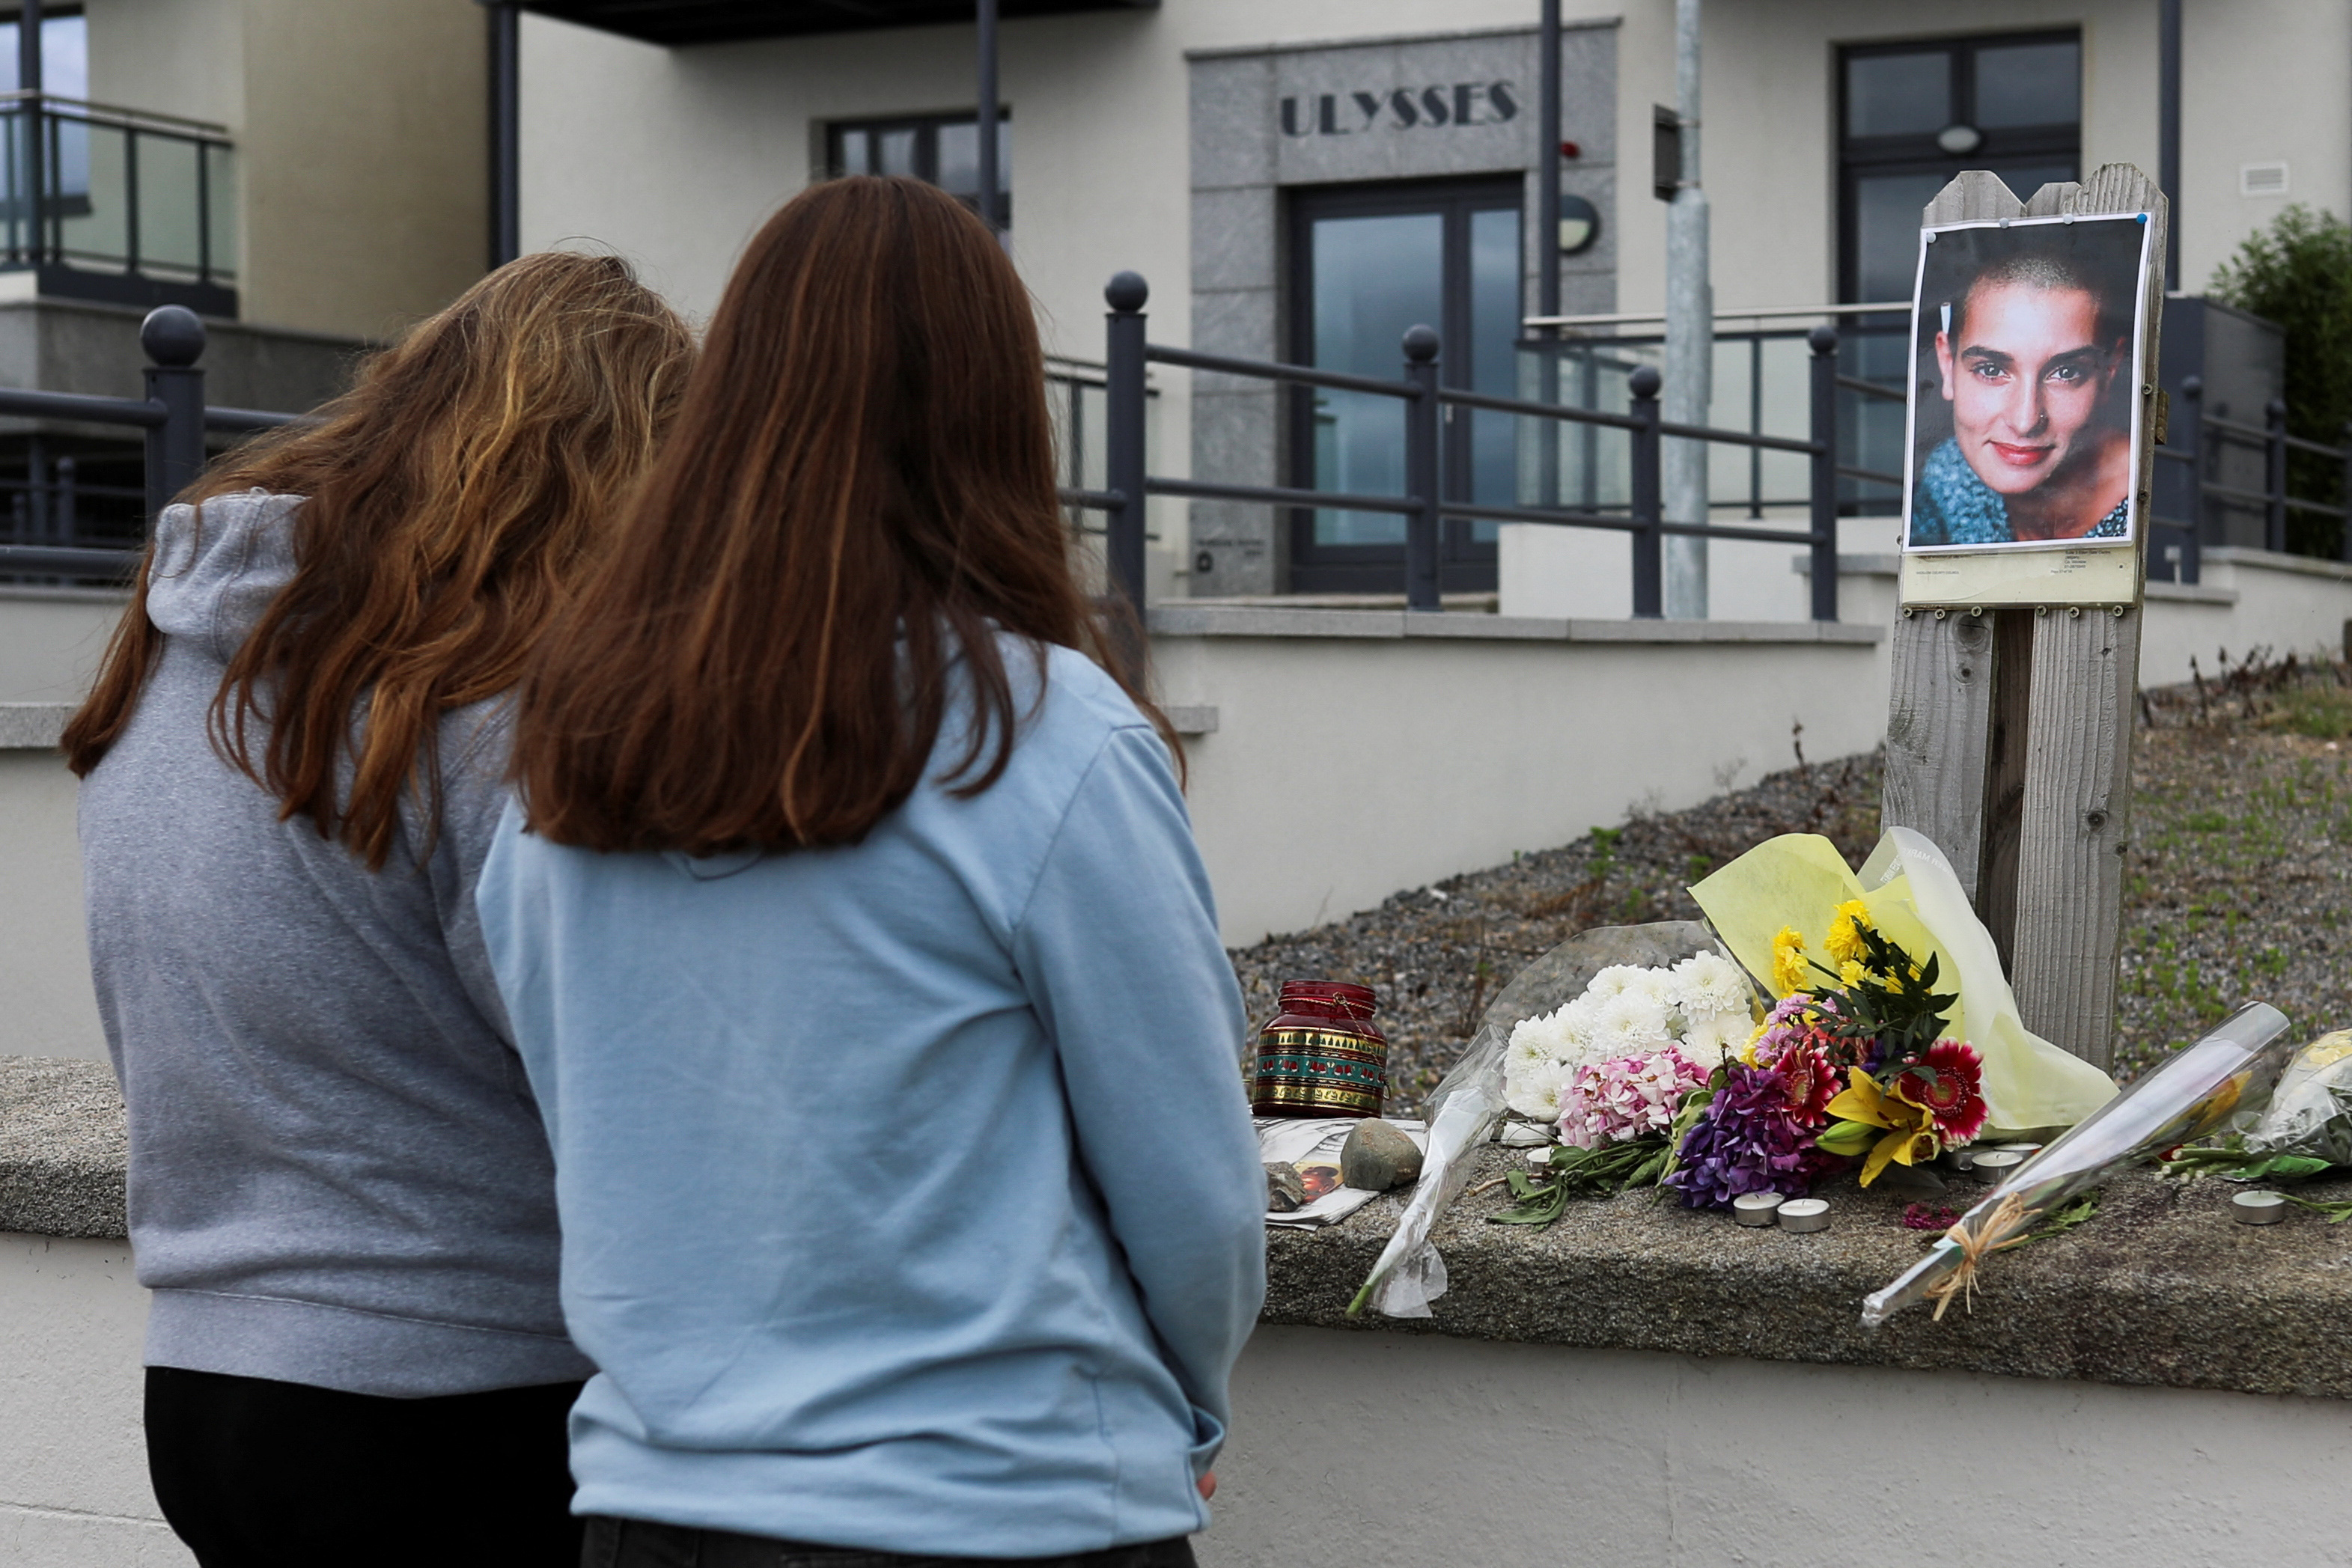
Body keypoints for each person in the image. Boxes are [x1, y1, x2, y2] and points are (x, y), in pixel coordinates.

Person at [481, 177, 1266, 1568]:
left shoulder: (568, 750)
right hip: (998, 1507)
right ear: (994, 413)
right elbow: (1193, 1186)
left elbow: (594, 1117)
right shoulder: (1047, 734)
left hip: (656, 1514)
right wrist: (1185, 1419)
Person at [64, 252, 694, 1567]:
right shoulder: (471, 715)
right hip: (463, 1404)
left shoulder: (172, 665)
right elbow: (633, 1094)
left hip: (205, 1390)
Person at [1912, 245, 2136, 546]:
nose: (2026, 420)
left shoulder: (2148, 496)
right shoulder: (1949, 476)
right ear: (1947, 364)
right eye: (1991, 370)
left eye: (2066, 373)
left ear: (2109, 371)